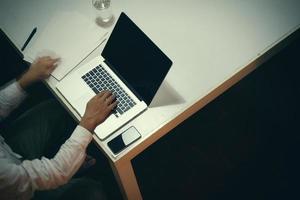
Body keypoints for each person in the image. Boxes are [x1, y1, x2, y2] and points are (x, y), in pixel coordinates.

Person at [0, 56, 117, 200]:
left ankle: (72, 160)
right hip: (21, 191)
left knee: (54, 108)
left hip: (8, 154)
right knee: (93, 193)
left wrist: (28, 77)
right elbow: (57, 171)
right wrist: (89, 120)